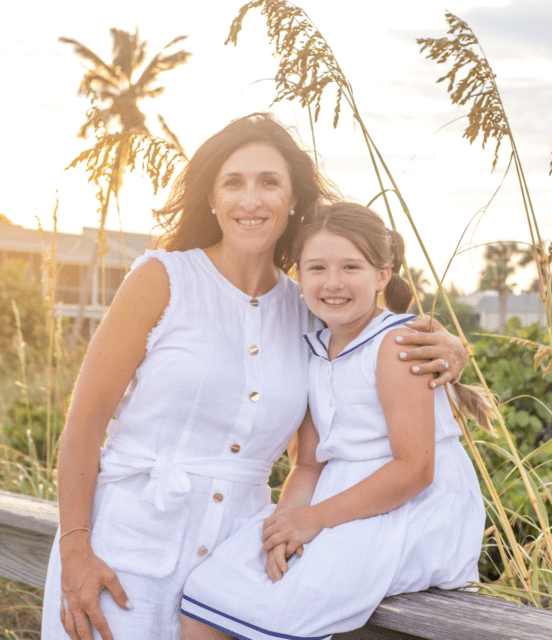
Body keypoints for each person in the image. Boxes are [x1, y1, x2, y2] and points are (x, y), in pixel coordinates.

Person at [41, 113, 469, 640]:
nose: (251, 200)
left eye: (269, 182)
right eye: (233, 183)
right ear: (212, 199)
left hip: (234, 563)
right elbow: (83, 426)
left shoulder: (308, 307)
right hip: (122, 555)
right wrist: (76, 548)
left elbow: (369, 334)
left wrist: (449, 346)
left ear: (293, 200)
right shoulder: (161, 279)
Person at [180, 202, 494, 640]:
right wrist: (284, 529)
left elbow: (415, 470)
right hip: (336, 501)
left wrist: (313, 520)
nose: (332, 283)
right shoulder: (313, 346)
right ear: (299, 276)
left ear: (382, 275)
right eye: (317, 268)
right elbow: (308, 465)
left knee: (282, 609)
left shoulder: (396, 344)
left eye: (351, 267)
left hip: (411, 511)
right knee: (209, 589)